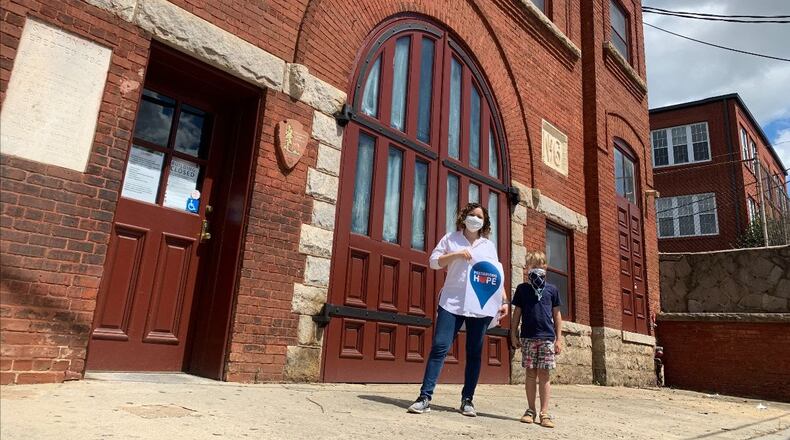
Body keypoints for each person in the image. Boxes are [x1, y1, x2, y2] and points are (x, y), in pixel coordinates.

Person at [407, 203, 508, 417]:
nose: (475, 219)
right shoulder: (450, 239)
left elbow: (494, 276)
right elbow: (434, 262)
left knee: (474, 353)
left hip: (479, 306)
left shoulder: (488, 246)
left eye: (479, 216)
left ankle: (468, 400)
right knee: (439, 347)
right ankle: (425, 397)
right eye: (472, 214)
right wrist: (457, 255)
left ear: (485, 222)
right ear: (464, 217)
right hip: (451, 302)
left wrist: (504, 301)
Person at [510, 251, 563, 428]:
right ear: (527, 269)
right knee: (530, 374)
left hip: (547, 337)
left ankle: (544, 413)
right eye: (533, 266)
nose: (537, 269)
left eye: (540, 266)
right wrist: (513, 333)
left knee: (545, 375)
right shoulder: (522, 289)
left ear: (545, 268)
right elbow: (517, 313)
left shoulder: (552, 290)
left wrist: (559, 339)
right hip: (528, 338)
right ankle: (530, 410)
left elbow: (557, 315)